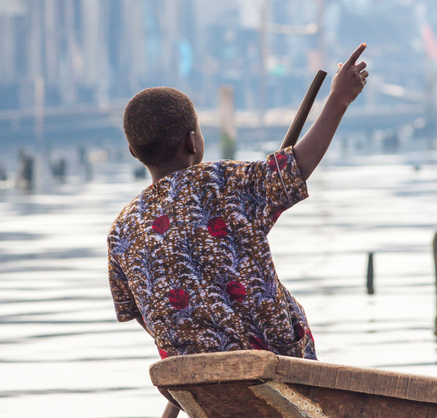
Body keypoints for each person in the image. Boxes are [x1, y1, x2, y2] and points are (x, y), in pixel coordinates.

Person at [108, 43, 368, 360]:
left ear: (134, 153)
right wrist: (339, 99)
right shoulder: (221, 183)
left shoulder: (120, 231)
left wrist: (195, 341)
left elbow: (136, 311)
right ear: (193, 142)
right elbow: (299, 165)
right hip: (273, 359)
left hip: (189, 373)